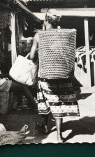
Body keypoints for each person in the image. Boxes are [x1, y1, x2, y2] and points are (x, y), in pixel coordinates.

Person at [29, 9, 80, 143]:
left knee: (45, 101)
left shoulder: (39, 36)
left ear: (45, 19)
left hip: (46, 74)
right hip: (63, 74)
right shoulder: (64, 35)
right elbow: (69, 55)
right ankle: (59, 135)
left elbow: (33, 56)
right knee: (59, 102)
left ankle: (45, 127)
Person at [0, 41, 36, 109]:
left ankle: (19, 104)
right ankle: (35, 106)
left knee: (18, 85)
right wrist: (7, 75)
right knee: (24, 87)